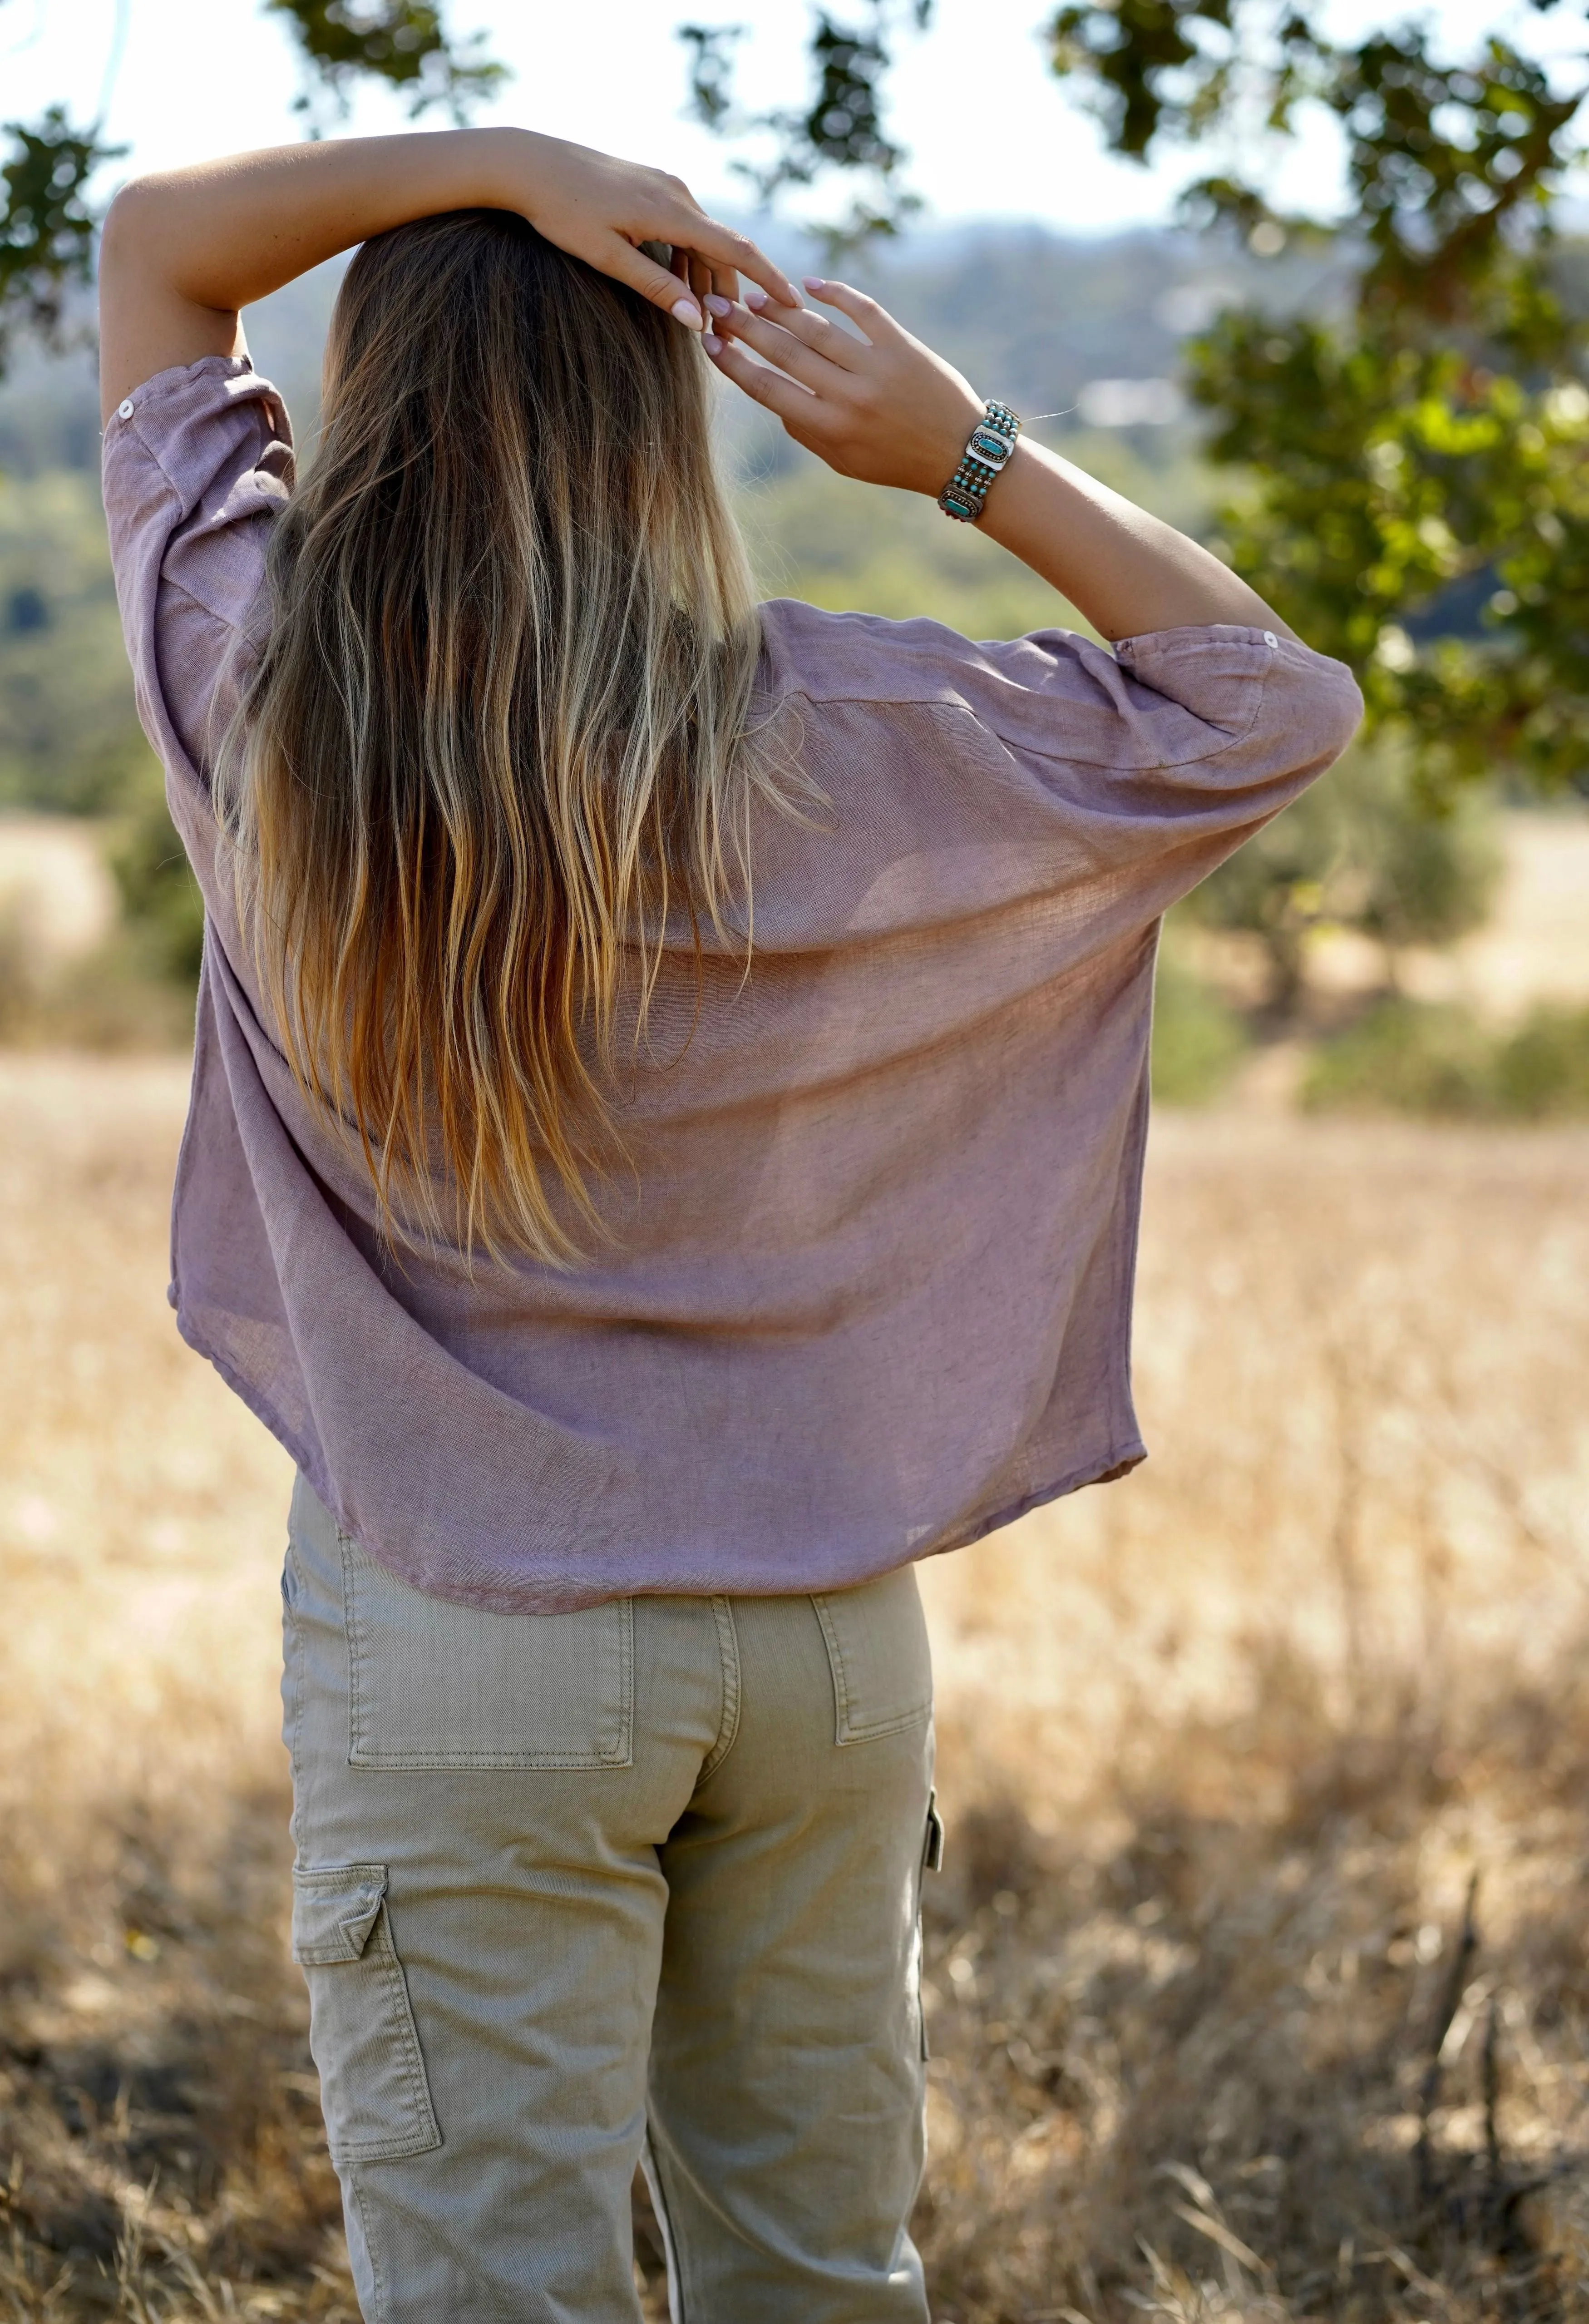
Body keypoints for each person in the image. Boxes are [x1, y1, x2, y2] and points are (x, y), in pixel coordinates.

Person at [98, 125, 1361, 2324]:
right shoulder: (846, 730)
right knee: (821, 2282)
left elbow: (153, 253)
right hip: (820, 1652)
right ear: (670, 410)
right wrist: (964, 453)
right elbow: (1268, 702)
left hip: (466, 1631)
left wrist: (490, 163)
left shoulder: (266, 688)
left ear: (376, 397)